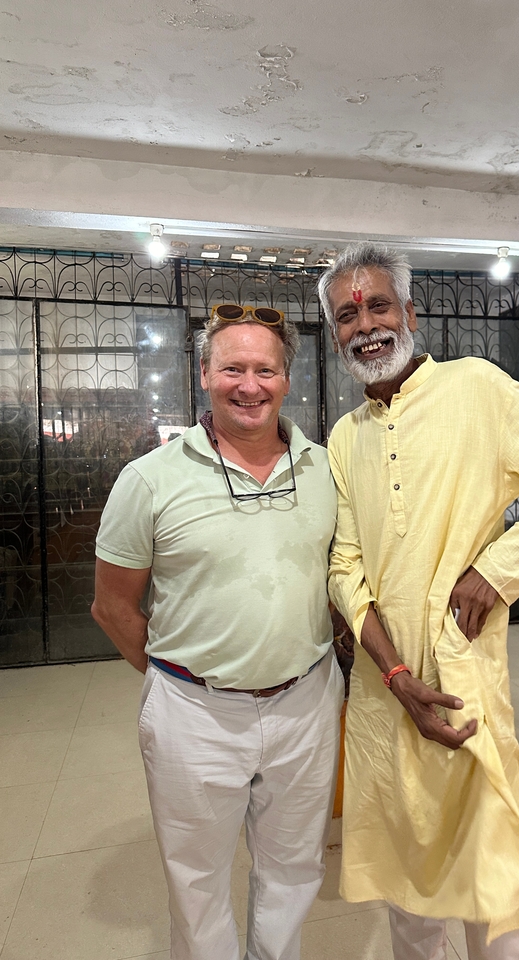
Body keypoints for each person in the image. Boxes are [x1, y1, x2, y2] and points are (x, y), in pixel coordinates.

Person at [318, 243, 519, 960]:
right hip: (384, 689)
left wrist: (498, 570)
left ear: (410, 312)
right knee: (405, 885)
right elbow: (345, 566)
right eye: (347, 314)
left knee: (493, 881)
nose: (366, 325)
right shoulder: (343, 437)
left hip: (463, 674)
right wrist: (393, 676)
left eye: (378, 305)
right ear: (335, 334)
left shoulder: (476, 388)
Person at [91, 304, 344, 960]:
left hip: (307, 702)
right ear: (204, 374)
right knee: (197, 880)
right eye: (233, 367)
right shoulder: (150, 479)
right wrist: (184, 681)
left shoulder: (325, 471)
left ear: (289, 380)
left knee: (294, 872)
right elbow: (113, 607)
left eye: (265, 370)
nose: (249, 385)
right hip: (192, 712)